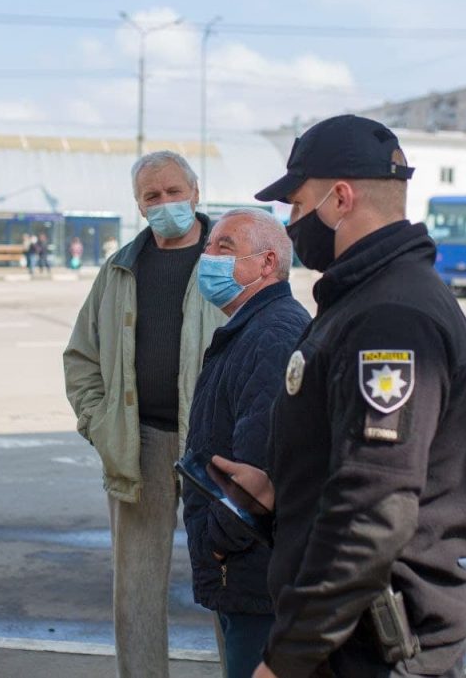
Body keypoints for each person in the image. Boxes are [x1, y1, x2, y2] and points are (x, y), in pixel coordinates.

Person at [213, 115, 466, 678]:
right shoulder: (361, 299)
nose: (291, 222)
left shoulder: (389, 317)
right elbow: (356, 463)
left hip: (369, 652)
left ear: (340, 198)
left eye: (296, 203)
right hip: (348, 641)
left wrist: (288, 657)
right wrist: (282, 490)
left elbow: (373, 508)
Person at [64, 150, 224, 678]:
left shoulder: (231, 258)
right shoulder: (118, 269)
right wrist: (98, 423)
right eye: (151, 197)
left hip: (217, 449)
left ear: (196, 193)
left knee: (232, 579)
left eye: (174, 192)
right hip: (140, 443)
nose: (165, 205)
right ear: (138, 204)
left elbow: (273, 341)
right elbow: (81, 355)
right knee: (136, 587)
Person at [182, 208, 311, 678]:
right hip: (246, 569)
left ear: (267, 263)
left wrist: (216, 545)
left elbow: (258, 466)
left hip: (254, 570)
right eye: (209, 246)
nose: (207, 257)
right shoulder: (253, 326)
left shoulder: (273, 334)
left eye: (225, 248)